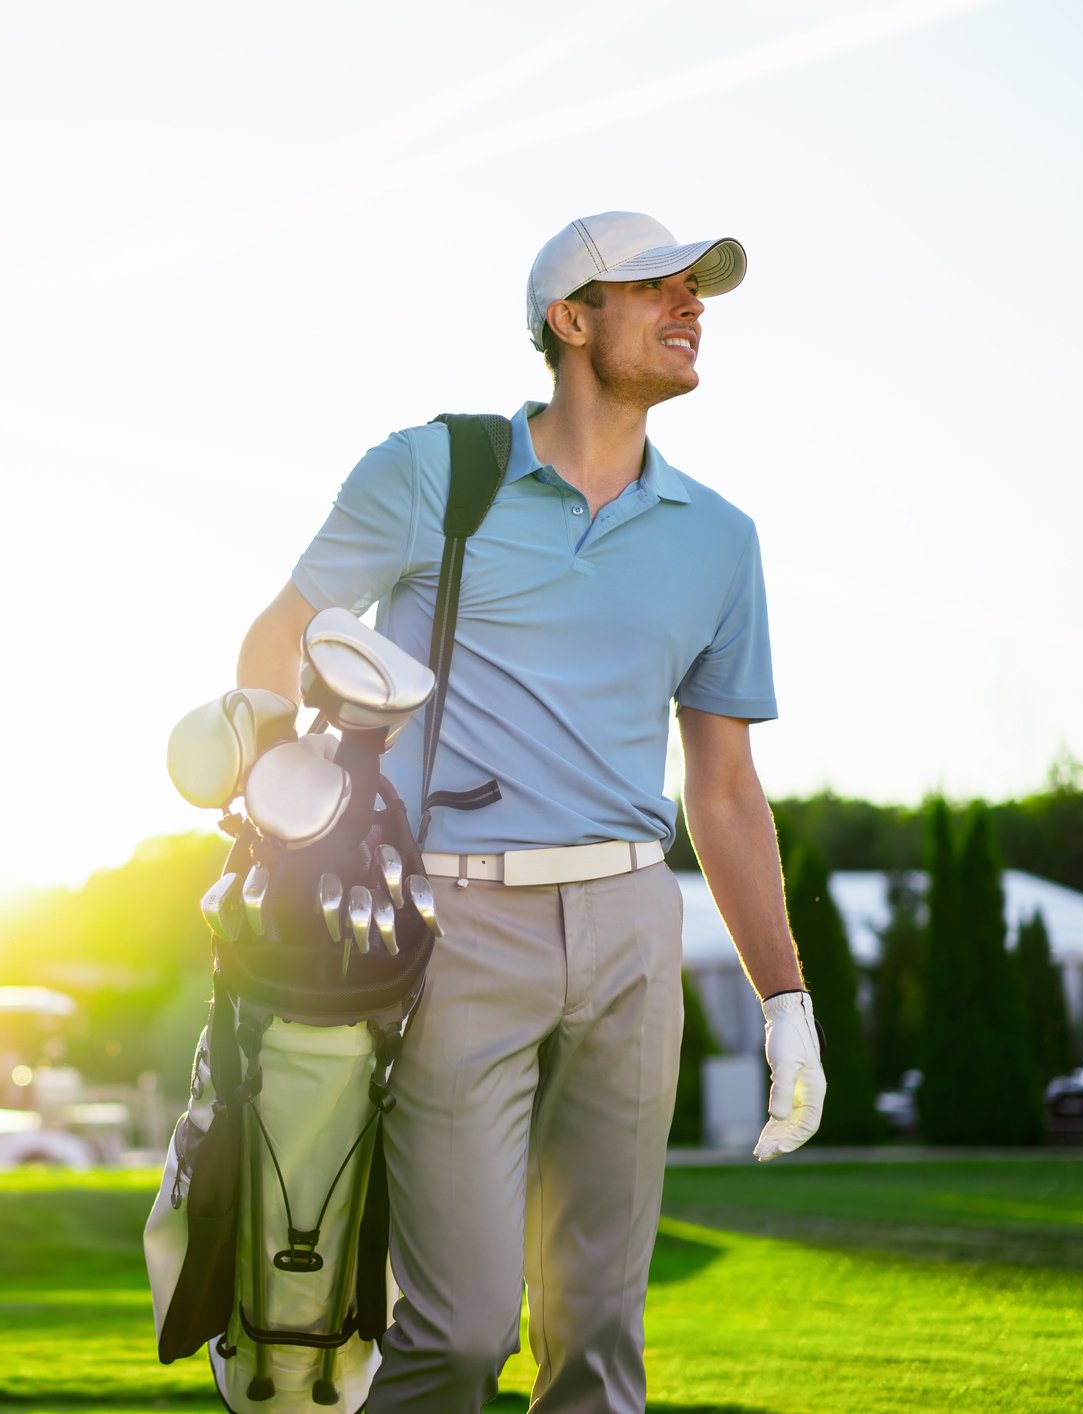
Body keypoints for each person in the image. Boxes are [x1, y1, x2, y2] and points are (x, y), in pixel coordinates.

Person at [234, 211, 826, 1413]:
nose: (690, 305)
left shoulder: (720, 539)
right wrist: (270, 801)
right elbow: (278, 635)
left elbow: (722, 785)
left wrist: (785, 998)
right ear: (571, 319)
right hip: (453, 922)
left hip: (630, 925)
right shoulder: (431, 473)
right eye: (658, 287)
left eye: (697, 290)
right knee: (455, 1331)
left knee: (600, 1340)